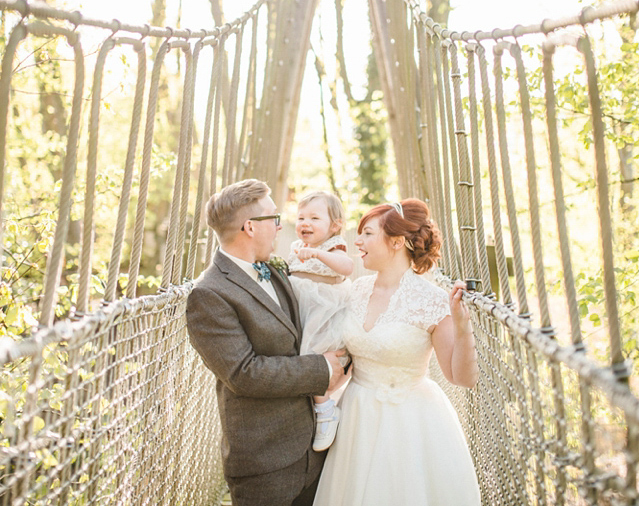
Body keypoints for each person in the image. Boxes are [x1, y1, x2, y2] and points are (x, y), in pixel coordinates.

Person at [185, 179, 348, 506]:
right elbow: (244, 373)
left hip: (315, 454)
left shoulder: (276, 270)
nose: (280, 227)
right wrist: (321, 368)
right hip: (266, 465)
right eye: (274, 218)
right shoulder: (209, 294)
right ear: (249, 227)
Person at [312, 199, 481, 506]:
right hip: (355, 419)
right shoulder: (355, 290)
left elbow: (462, 378)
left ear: (396, 242)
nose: (357, 241)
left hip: (410, 425)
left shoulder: (432, 300)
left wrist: (461, 324)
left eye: (367, 233)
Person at [285, 191, 355, 452]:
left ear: (334, 226)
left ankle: (325, 408)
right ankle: (308, 408)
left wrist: (317, 255)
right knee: (297, 356)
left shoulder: (333, 246)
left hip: (325, 313)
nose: (306, 223)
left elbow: (347, 267)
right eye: (301, 217)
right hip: (302, 311)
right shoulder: (295, 246)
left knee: (313, 355)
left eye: (315, 218)